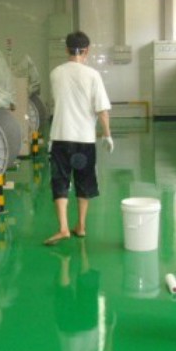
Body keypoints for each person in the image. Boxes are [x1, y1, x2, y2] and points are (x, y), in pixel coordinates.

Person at [44, 31, 113, 246]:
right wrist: (107, 135)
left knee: (60, 181)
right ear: (87, 50)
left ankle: (64, 228)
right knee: (84, 181)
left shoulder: (55, 73)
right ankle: (81, 226)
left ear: (66, 49)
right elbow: (102, 110)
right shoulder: (93, 75)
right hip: (84, 140)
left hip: (60, 137)